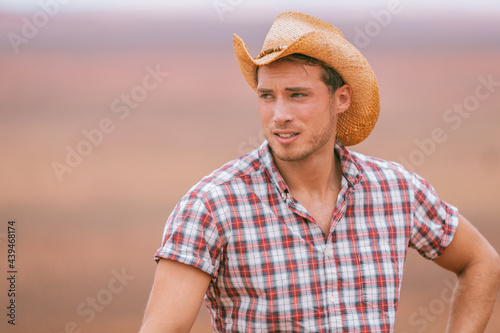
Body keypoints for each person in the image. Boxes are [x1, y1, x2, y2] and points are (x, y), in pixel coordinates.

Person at [139, 11, 500, 332]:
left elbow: (481, 261)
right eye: (267, 96)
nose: (279, 114)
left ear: (341, 99)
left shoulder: (395, 191)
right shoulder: (212, 206)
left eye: (297, 95)